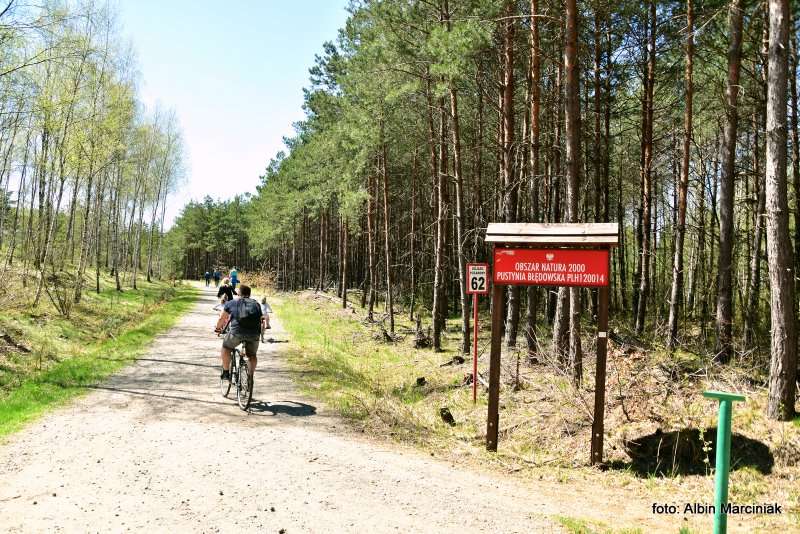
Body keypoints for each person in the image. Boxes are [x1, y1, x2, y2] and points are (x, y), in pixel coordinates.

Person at [215, 284, 266, 383]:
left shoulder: (231, 303)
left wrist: (217, 328)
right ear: (249, 294)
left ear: (239, 293)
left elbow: (222, 318)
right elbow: (261, 319)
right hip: (254, 334)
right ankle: (250, 377)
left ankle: (226, 372)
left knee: (226, 347)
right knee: (252, 355)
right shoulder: (256, 304)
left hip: (236, 333)